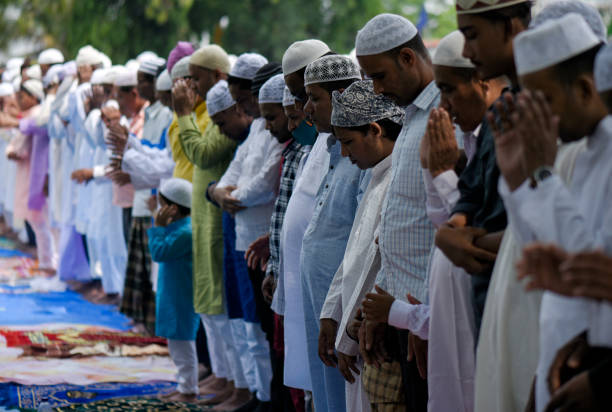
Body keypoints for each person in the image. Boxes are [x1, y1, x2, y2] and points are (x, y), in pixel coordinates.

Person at [490, 13, 608, 412]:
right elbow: (547, 252)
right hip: (569, 354)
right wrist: (519, 180)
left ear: (584, 87)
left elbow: (588, 269)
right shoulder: (587, 148)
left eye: (546, 102)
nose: (538, 119)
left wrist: (541, 174)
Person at [355, 13, 438, 411]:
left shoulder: (444, 112)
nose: (376, 89)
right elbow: (402, 222)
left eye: (380, 75)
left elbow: (447, 221)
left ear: (408, 57)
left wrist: (422, 319)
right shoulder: (412, 115)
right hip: (403, 314)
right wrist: (384, 309)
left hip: (429, 315)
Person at [173, 45, 252, 411]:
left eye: (197, 76)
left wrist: (185, 114)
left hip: (221, 220)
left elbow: (203, 154)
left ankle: (240, 382)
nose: (191, 84)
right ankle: (224, 376)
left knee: (223, 307)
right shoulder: (206, 112)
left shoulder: (219, 112)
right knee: (208, 302)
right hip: (204, 214)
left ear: (219, 76)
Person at [320, 79, 403, 412]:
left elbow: (377, 266)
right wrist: (331, 313)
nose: (344, 153)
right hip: (355, 330)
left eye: (348, 142)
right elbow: (353, 254)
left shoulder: (397, 178)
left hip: (373, 337)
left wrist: (349, 338)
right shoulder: (376, 174)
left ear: (375, 130)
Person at [300, 54, 365, 412]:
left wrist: (340, 307)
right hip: (324, 301)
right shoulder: (331, 149)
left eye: (314, 98)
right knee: (324, 388)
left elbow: (361, 243)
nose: (307, 109)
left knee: (344, 392)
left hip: (345, 304)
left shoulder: (363, 158)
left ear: (340, 95)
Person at [276, 38, 331, 397]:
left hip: (333, 294)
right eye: (298, 96)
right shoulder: (320, 141)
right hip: (304, 286)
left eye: (308, 95)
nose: (302, 107)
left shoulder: (354, 136)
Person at [148, 178, 200, 403]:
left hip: (180, 296)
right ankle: (183, 385)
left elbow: (159, 252)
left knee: (182, 345)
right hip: (173, 294)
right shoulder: (179, 228)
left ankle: (189, 389)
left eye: (161, 205)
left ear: (173, 209)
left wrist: (158, 227)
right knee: (176, 343)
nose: (158, 210)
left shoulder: (185, 233)